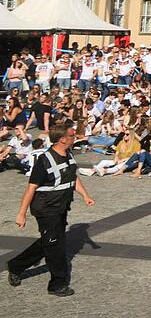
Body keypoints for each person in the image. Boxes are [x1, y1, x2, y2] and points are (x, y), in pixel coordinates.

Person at [8, 120, 95, 296]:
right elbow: (31, 187)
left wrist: (85, 195)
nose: (75, 137)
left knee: (48, 241)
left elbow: (72, 177)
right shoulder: (44, 160)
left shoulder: (68, 154)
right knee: (55, 246)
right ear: (62, 139)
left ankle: (16, 265)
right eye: (72, 135)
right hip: (46, 208)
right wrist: (21, 213)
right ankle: (57, 284)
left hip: (61, 206)